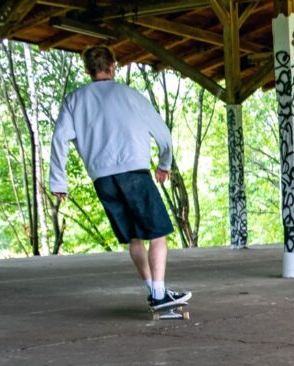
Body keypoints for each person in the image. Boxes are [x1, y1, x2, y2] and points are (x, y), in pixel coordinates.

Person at [49, 45, 191, 311]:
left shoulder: (74, 100)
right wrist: (164, 163)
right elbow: (163, 134)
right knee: (158, 234)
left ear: (88, 69)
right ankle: (160, 296)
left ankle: (154, 291)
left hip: (102, 179)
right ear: (113, 66)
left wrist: (59, 180)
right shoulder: (129, 95)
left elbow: (59, 140)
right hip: (134, 173)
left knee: (135, 237)